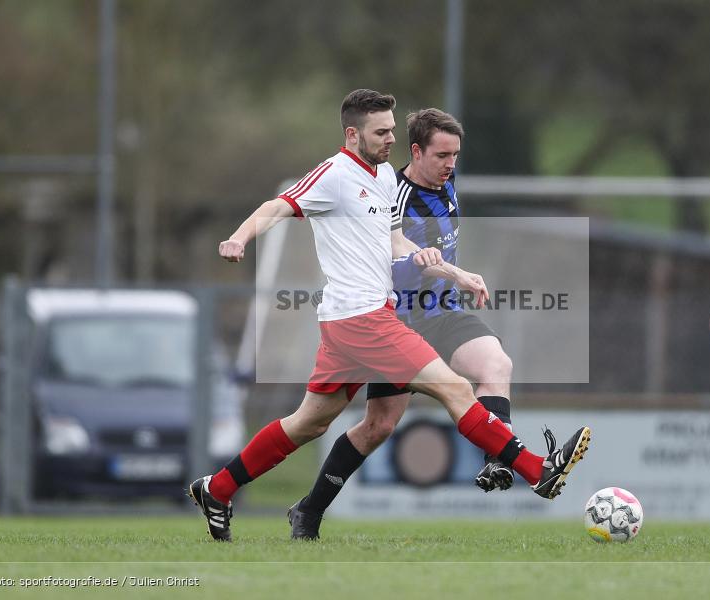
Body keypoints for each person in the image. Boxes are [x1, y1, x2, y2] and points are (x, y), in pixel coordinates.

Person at [188, 89, 591, 542]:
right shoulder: (334, 174)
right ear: (352, 133)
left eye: (392, 130)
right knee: (455, 388)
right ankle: (537, 471)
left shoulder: (381, 177)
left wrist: (454, 273)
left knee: (309, 422)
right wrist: (240, 238)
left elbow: (396, 242)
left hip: (360, 320)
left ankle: (217, 489)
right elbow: (277, 206)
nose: (390, 139)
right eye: (381, 132)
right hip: (361, 319)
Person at [288, 108, 516, 540]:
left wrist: (453, 277)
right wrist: (434, 265)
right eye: (442, 155)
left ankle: (499, 459)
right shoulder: (389, 193)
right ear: (416, 150)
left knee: (497, 366)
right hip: (399, 324)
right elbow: (392, 260)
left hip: (444, 314)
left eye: (456, 155)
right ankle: (308, 510)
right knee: (379, 427)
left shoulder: (447, 182)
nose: (451, 164)